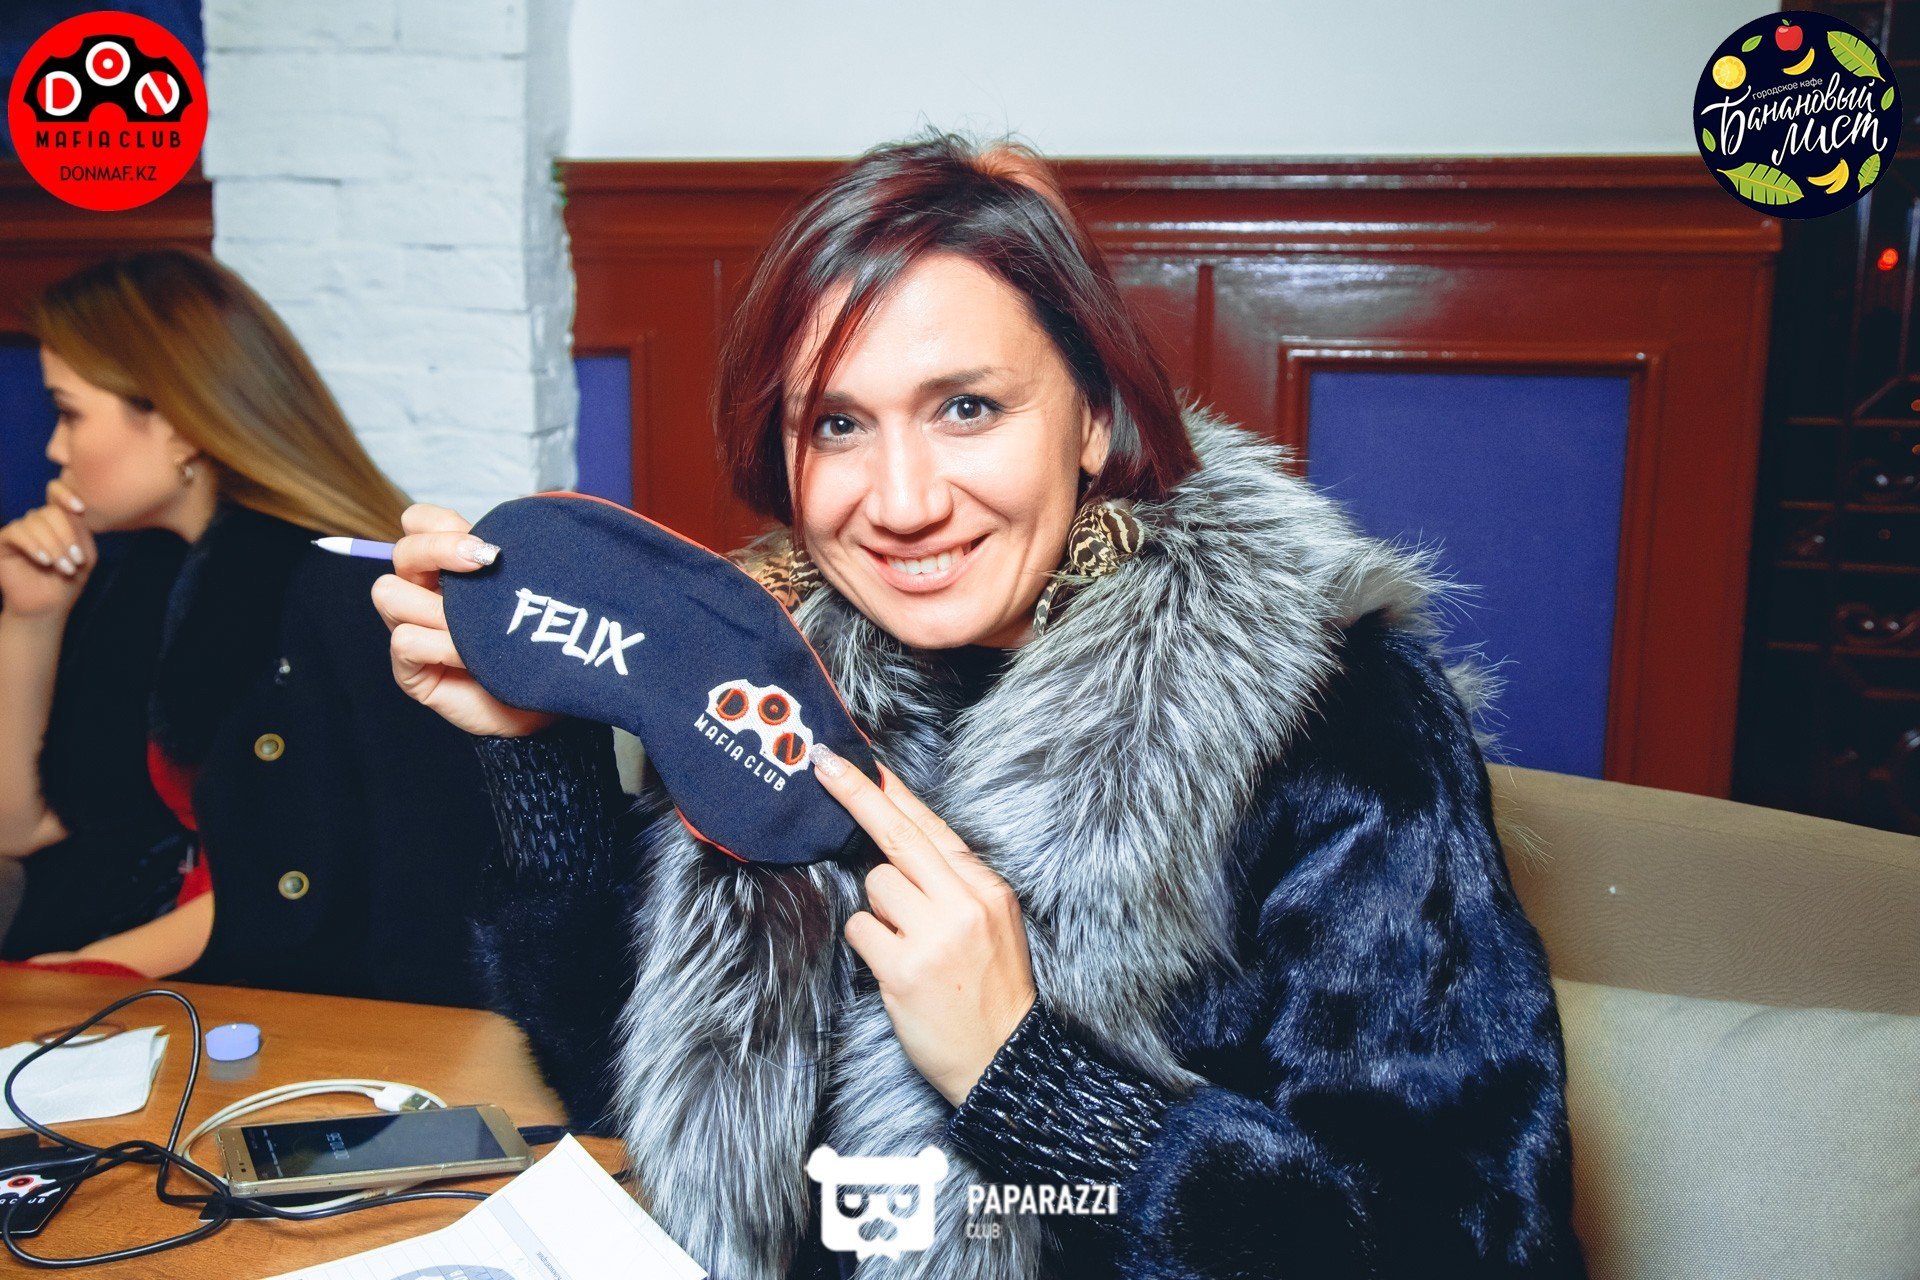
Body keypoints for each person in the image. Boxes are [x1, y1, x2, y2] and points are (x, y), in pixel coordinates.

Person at [378, 131, 1589, 1277]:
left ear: (1096, 417)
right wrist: (537, 758)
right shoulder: (766, 678)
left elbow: (1472, 1243)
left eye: (967, 407)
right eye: (838, 424)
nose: (903, 501)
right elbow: (640, 1100)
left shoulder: (1335, 714)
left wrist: (1028, 1075)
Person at [0, 248, 497, 1008]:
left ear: (177, 425)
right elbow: (20, 828)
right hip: (143, 963)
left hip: (274, 995)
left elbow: (299, 879)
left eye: (69, 414)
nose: (53, 449)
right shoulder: (139, 578)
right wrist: (31, 618)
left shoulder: (337, 595)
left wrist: (81, 974)